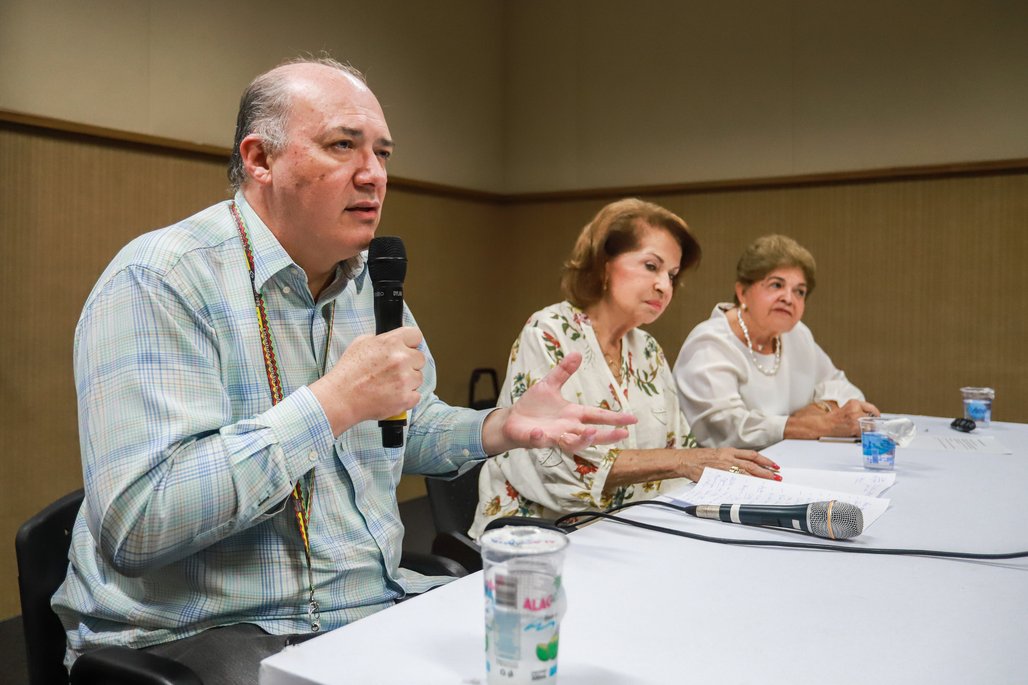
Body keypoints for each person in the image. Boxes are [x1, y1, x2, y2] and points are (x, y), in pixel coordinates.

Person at [51, 57, 634, 684]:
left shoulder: (366, 285)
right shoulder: (161, 280)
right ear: (260, 159)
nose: (373, 174)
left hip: (364, 603)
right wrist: (330, 404)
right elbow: (138, 524)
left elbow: (400, 426)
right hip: (203, 630)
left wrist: (500, 427)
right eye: (342, 146)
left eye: (382, 153)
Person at [468, 199, 779, 538]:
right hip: (542, 537)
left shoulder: (646, 348)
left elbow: (681, 444)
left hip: (633, 528)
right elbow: (563, 469)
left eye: (672, 275)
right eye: (651, 266)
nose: (664, 285)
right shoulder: (549, 332)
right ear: (603, 263)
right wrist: (682, 461)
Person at [673, 234, 879, 450]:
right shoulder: (710, 344)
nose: (788, 298)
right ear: (742, 292)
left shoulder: (797, 335)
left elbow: (844, 389)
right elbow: (726, 429)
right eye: (776, 285)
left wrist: (822, 408)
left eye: (799, 291)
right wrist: (809, 427)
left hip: (790, 464)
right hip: (725, 475)